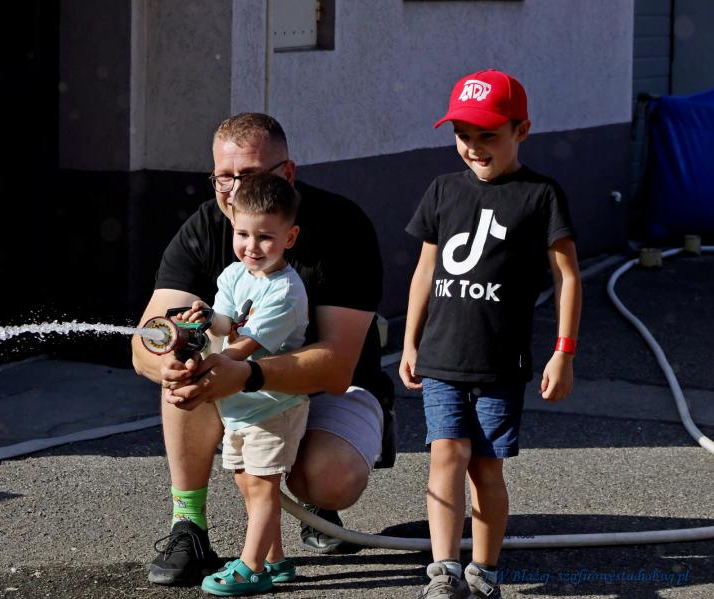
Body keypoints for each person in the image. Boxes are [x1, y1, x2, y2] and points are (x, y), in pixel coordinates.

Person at [132, 112, 395, 586]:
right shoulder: (205, 227)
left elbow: (337, 366)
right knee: (185, 373)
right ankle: (188, 525)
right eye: (223, 177)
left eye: (249, 175)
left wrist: (247, 374)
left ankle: (302, 514)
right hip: (243, 380)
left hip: (333, 388)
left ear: (287, 173)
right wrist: (167, 361)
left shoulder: (342, 226)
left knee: (328, 477)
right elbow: (146, 338)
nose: (234, 192)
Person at [399, 69, 582, 599]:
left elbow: (568, 276)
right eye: (463, 135)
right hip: (441, 357)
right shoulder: (442, 189)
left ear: (521, 130)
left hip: (501, 361)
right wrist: (409, 341)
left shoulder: (541, 195)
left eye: (488, 135)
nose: (474, 147)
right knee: (445, 454)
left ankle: (484, 572)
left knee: (485, 469)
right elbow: (425, 271)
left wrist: (563, 352)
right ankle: (443, 570)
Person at [177, 173, 309, 595]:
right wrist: (205, 318)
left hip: (273, 406)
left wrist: (205, 367)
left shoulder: (286, 292)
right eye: (243, 234)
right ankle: (275, 560)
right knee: (246, 482)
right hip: (239, 407)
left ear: (290, 237)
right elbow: (226, 322)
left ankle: (251, 567)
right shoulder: (236, 274)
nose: (252, 247)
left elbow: (244, 346)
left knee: (263, 487)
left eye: (265, 237)